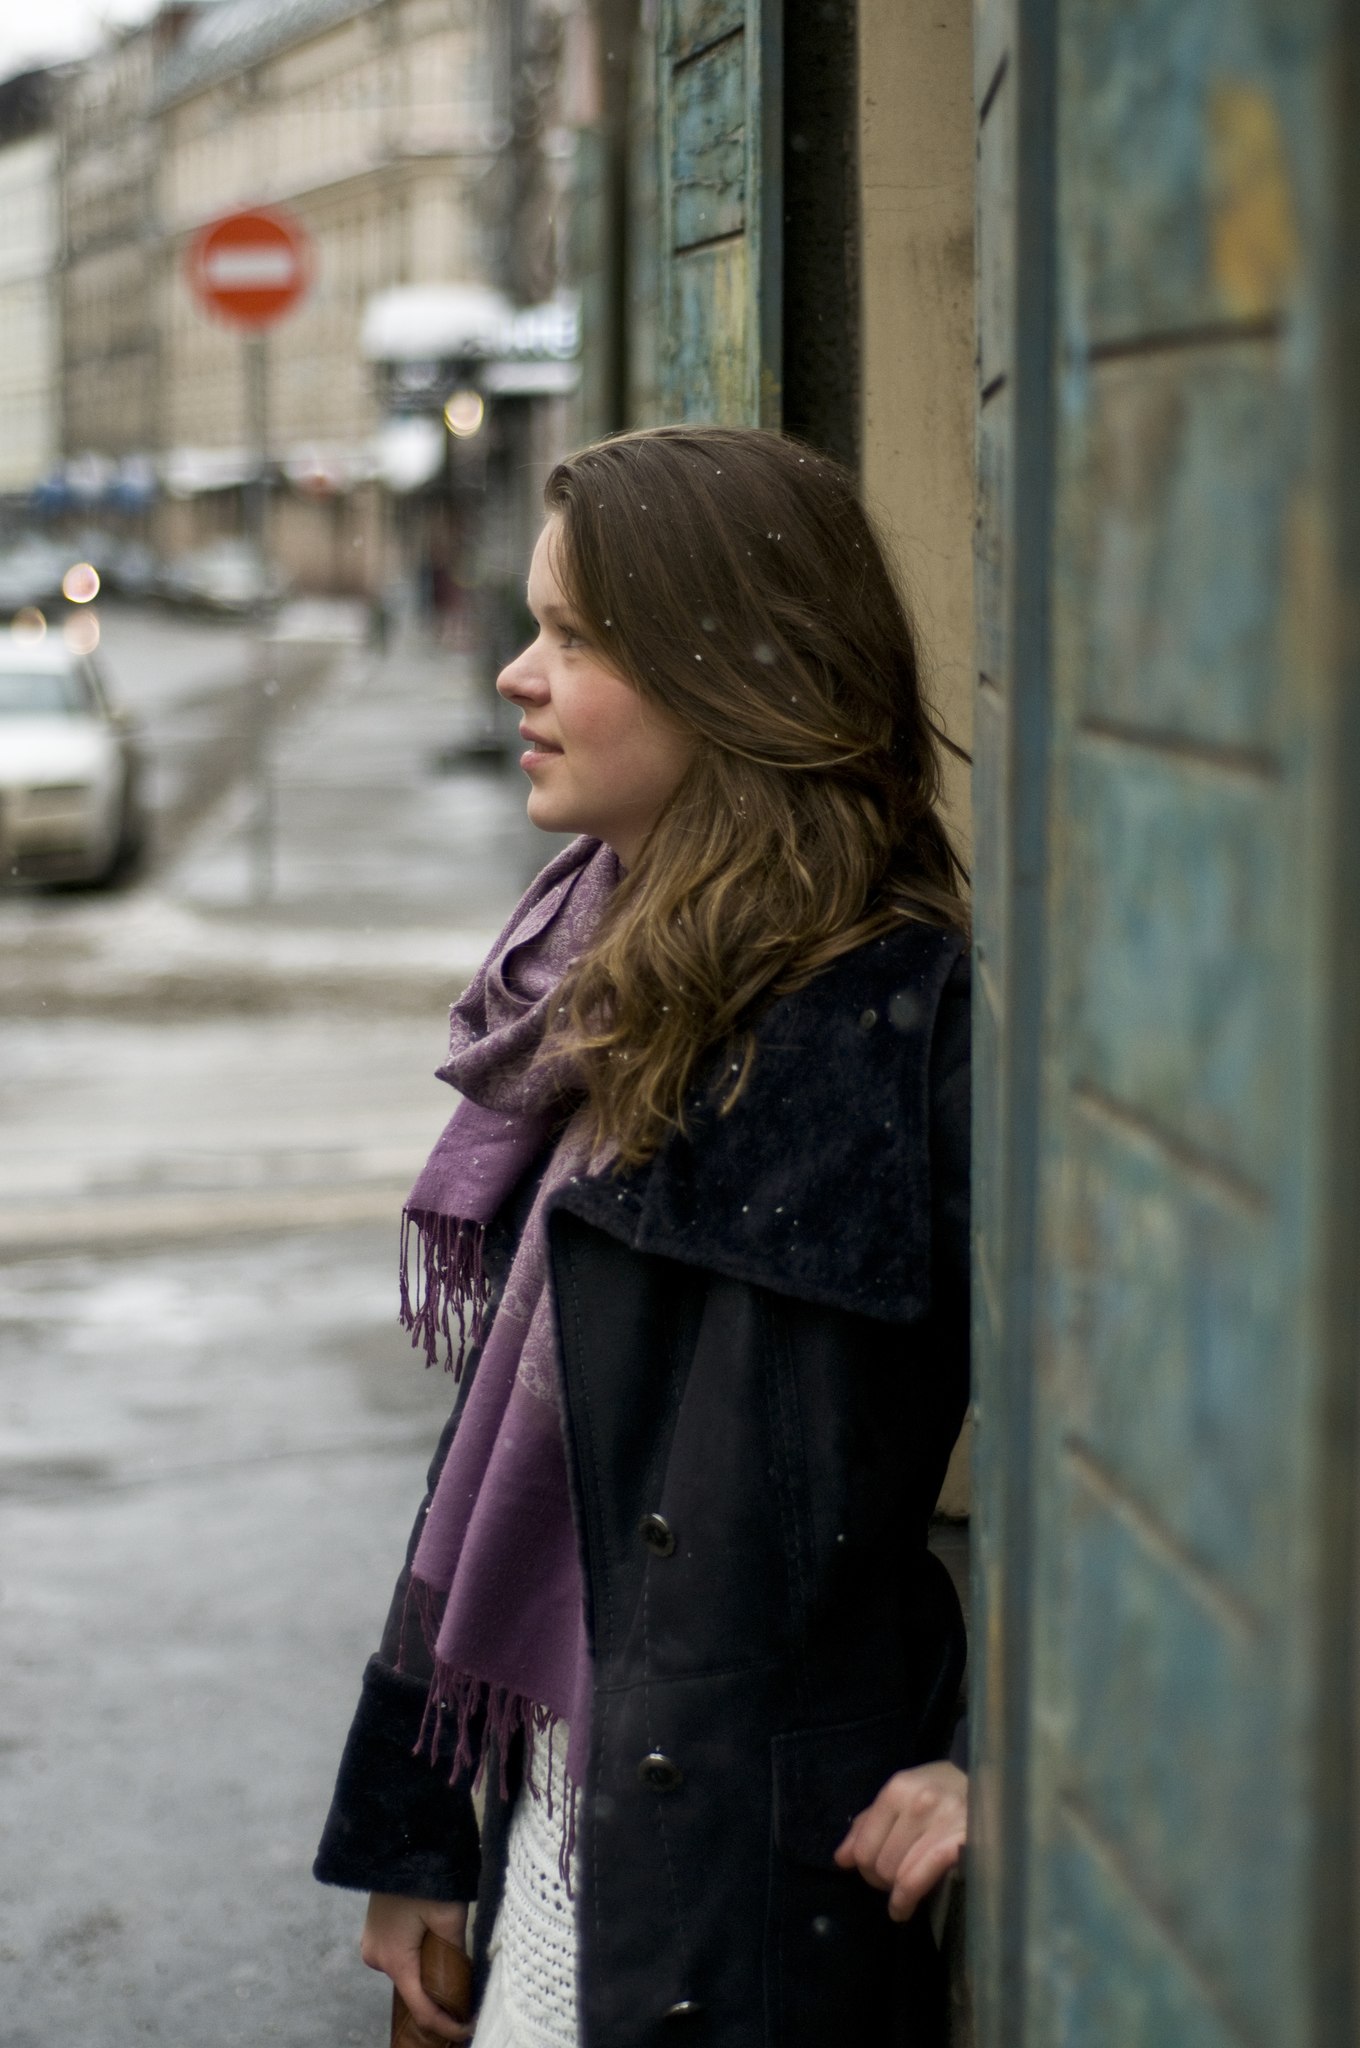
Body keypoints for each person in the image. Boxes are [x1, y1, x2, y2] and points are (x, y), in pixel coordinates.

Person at [314, 425, 971, 2048]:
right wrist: (422, 1829)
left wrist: (1014, 1761)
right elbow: (509, 1452)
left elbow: (1155, 1469)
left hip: (739, 1890)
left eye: (578, 637)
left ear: (732, 676)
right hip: (554, 1832)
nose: (516, 675)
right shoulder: (607, 976)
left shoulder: (898, 1025)